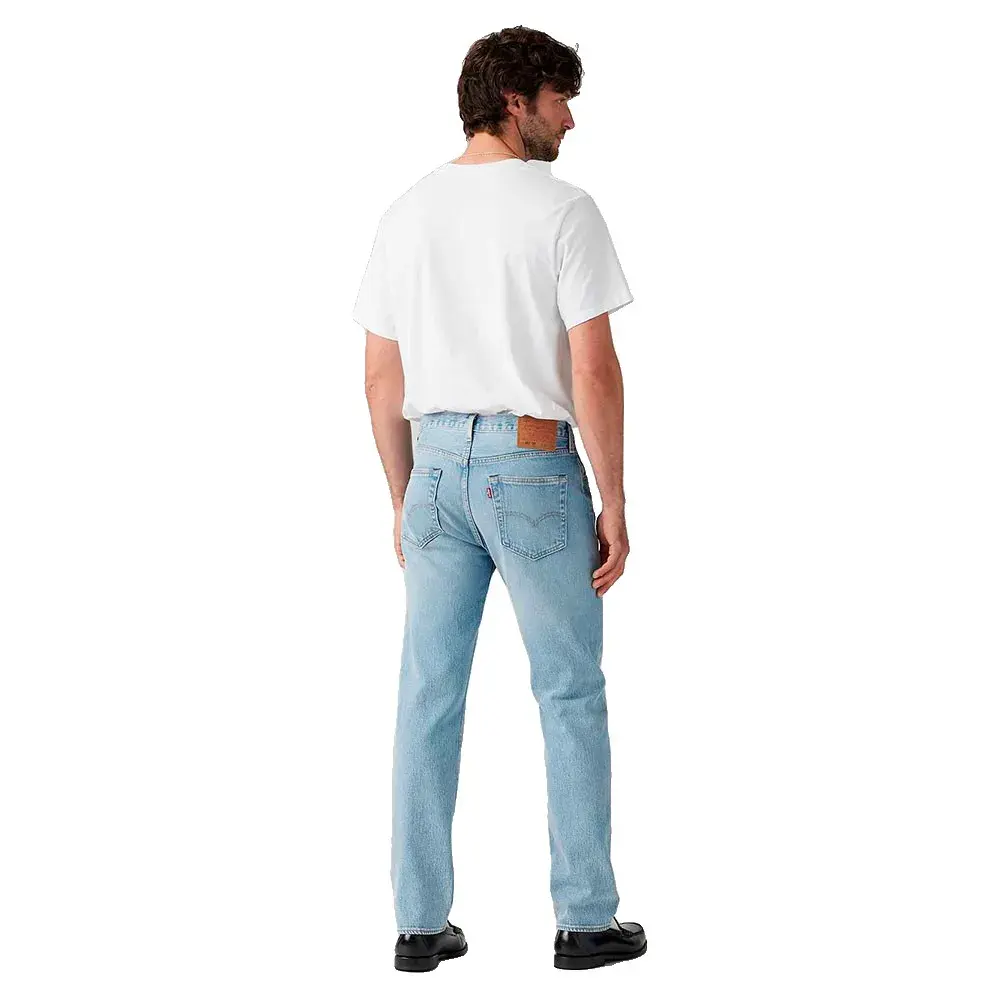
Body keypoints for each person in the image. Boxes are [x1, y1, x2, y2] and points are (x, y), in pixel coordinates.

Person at [352, 26, 646, 972]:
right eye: (561, 99)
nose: (571, 120)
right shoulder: (563, 210)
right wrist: (614, 498)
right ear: (516, 100)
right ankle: (585, 920)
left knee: (427, 694)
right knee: (568, 690)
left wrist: (403, 495)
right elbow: (592, 369)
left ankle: (417, 924)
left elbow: (381, 374)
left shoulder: (406, 212)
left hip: (433, 470)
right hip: (531, 469)